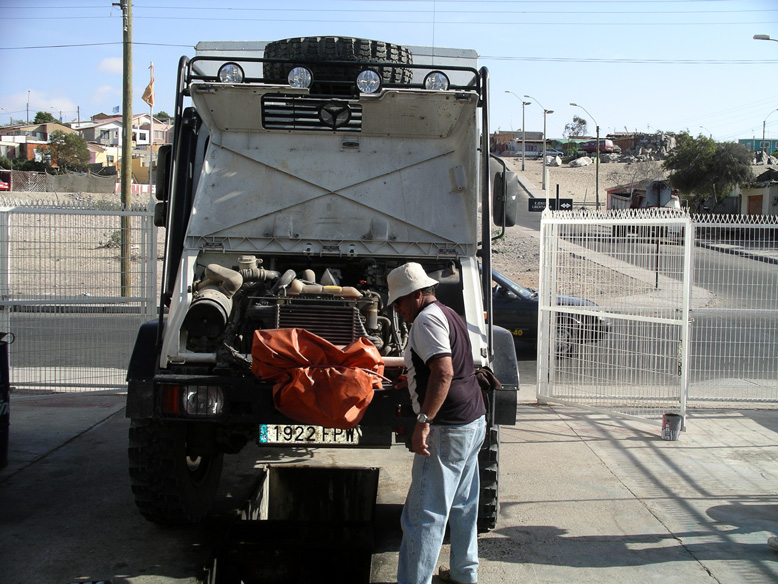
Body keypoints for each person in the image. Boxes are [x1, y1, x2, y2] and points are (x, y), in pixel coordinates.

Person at [388, 262, 487, 584]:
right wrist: (414, 379)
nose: (397, 309)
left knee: (423, 515)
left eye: (399, 302)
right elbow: (450, 366)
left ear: (416, 295)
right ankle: (463, 574)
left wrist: (423, 421)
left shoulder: (425, 320)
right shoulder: (448, 312)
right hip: (472, 420)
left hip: (447, 428)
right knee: (463, 504)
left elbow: (443, 371)